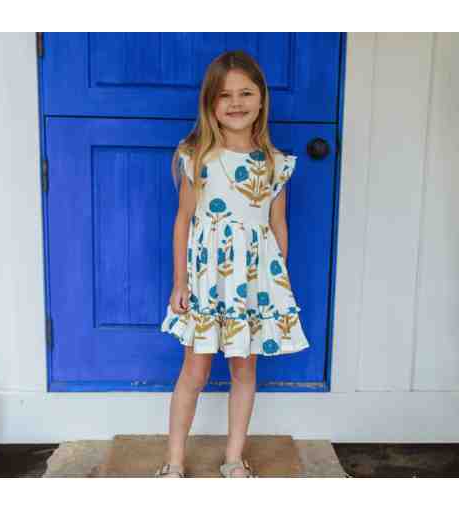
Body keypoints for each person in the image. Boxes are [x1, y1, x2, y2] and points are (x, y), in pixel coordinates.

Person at [156, 50, 310, 478]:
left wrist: (276, 286)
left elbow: (278, 228)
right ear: (211, 103)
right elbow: (183, 221)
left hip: (252, 287)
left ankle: (233, 459)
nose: (236, 103)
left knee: (244, 370)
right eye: (225, 95)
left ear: (261, 100)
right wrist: (179, 282)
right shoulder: (197, 157)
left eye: (246, 93)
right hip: (207, 283)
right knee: (194, 370)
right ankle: (173, 461)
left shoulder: (275, 164)